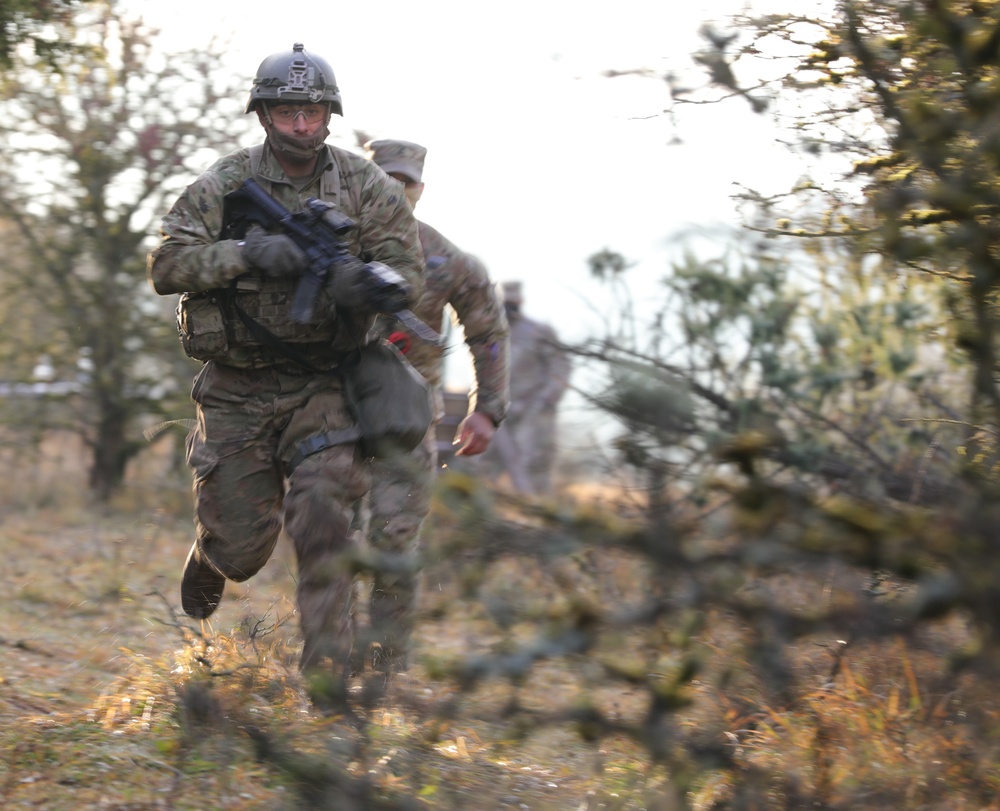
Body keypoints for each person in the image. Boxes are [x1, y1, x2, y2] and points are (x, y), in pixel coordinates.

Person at [146, 44, 425, 703]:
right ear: (264, 113)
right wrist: (246, 254)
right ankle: (212, 552)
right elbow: (167, 266)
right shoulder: (226, 181)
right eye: (287, 111)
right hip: (237, 388)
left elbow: (409, 278)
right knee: (243, 550)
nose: (301, 125)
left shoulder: (366, 186)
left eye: (312, 112)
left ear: (329, 115)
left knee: (325, 519)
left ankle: (327, 683)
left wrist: (365, 284)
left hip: (325, 383)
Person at [361, 138, 509, 675]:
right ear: (364, 179)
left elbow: (488, 329)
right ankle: (323, 661)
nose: (396, 192)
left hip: (404, 423)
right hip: (325, 413)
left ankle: (385, 670)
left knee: (395, 541)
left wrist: (487, 408)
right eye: (385, 181)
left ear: (421, 190)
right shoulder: (330, 241)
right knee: (322, 536)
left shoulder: (444, 257)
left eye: (406, 183)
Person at [484, 281, 571, 495]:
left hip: (533, 415)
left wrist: (544, 401)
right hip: (498, 415)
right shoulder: (490, 334)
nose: (509, 310)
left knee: (534, 472)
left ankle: (537, 515)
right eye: (505, 304)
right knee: (483, 470)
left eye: (513, 304)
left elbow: (560, 367)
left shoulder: (539, 332)